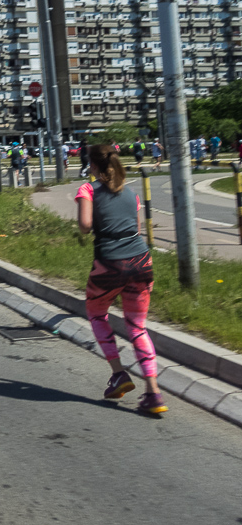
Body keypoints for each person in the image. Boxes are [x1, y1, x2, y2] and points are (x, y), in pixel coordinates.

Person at [76, 144, 167, 415]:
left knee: (96, 314)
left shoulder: (88, 189)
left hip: (109, 265)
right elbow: (135, 229)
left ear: (92, 165)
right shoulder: (131, 193)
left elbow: (84, 226)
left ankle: (118, 374)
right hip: (142, 262)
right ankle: (154, 393)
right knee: (137, 326)